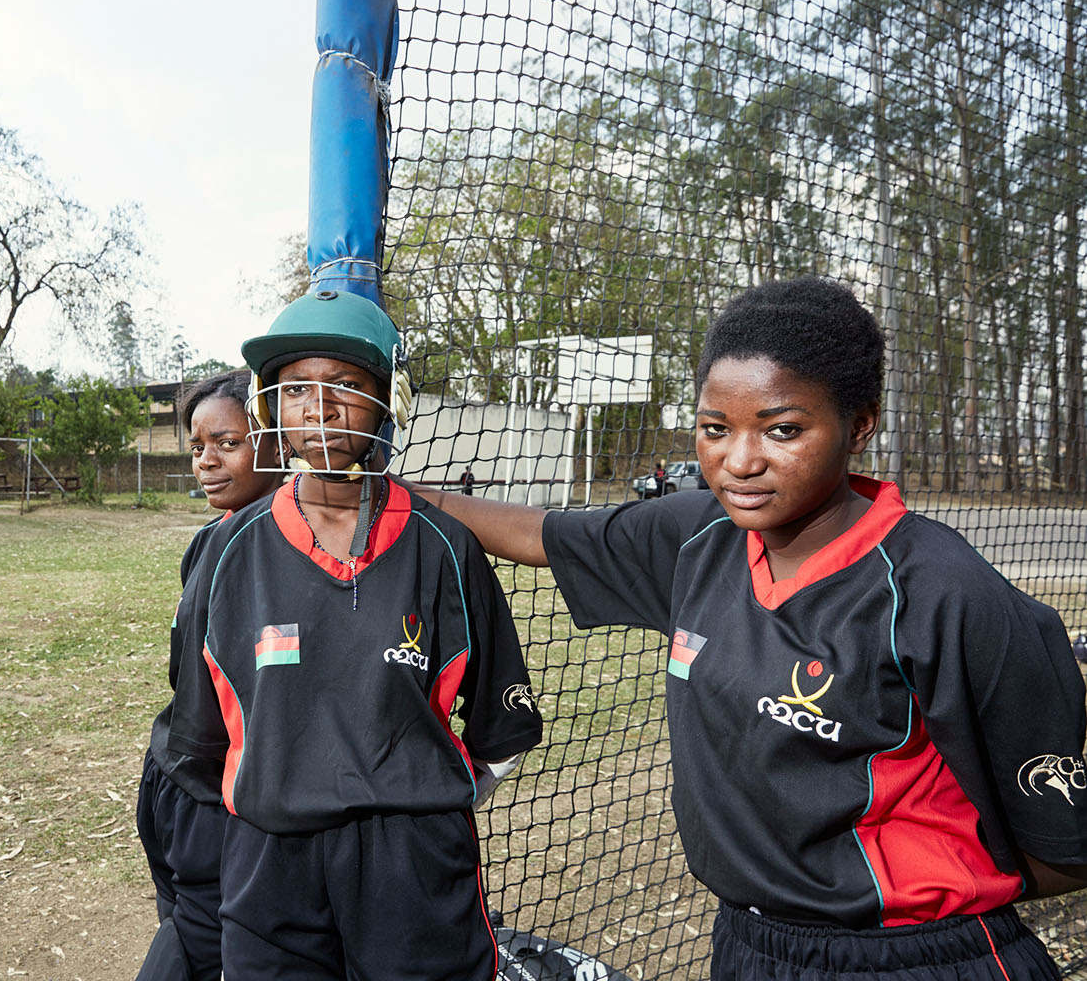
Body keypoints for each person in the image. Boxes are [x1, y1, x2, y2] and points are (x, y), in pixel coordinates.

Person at [405, 277, 1087, 980]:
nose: (740, 461)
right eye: (714, 428)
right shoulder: (697, 536)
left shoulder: (945, 591)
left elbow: (1061, 849)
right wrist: (374, 491)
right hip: (749, 945)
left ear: (860, 424)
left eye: (782, 429)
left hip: (916, 955)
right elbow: (538, 532)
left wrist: (907, 897)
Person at [166, 290, 542, 981]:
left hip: (415, 864)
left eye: (347, 385)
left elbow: (501, 727)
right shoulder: (226, 553)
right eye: (296, 389)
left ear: (387, 400)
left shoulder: (445, 548)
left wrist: (415, 802)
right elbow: (195, 739)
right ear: (269, 406)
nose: (320, 408)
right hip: (269, 864)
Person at [135, 369, 284, 981]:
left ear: (274, 440)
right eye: (197, 447)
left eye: (228, 442)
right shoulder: (205, 540)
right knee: (187, 930)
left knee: (200, 943)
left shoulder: (287, 544)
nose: (206, 462)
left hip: (223, 801)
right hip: (174, 781)